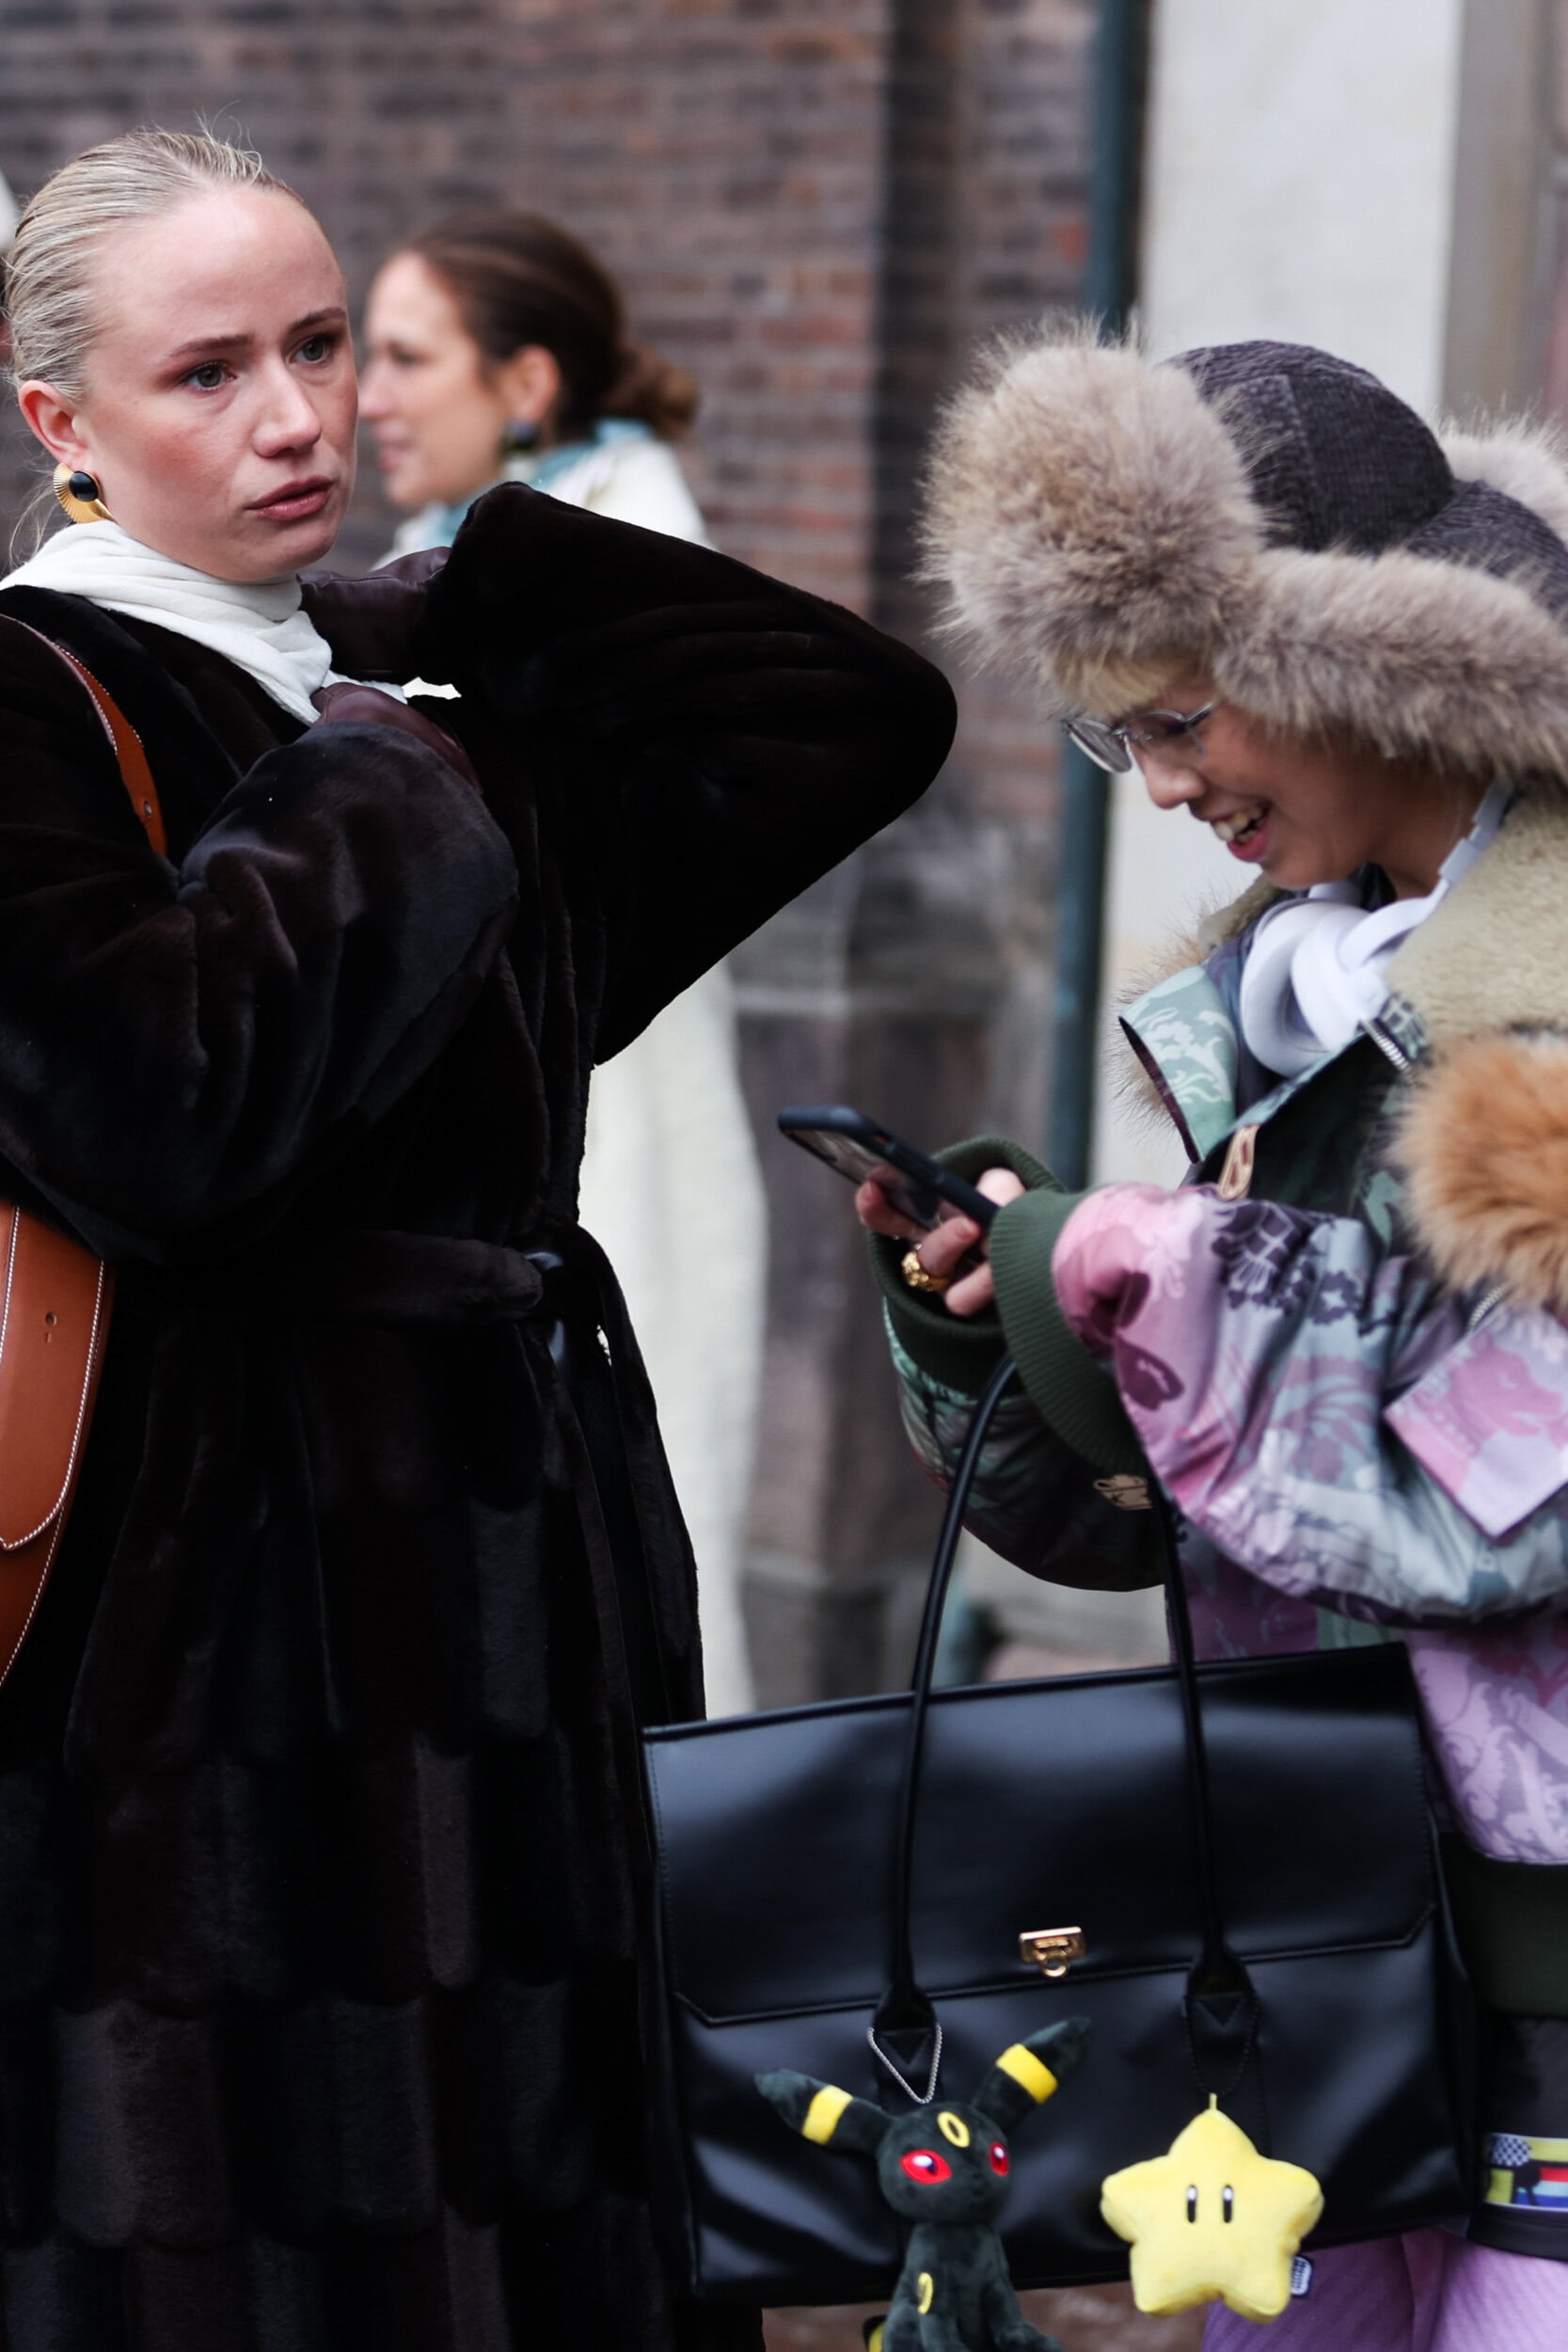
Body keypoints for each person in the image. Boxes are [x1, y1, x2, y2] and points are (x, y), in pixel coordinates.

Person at [0, 126, 955, 2350]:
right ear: (61, 422)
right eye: (209, 371)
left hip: (528, 1584)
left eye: (323, 345)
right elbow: (149, 1111)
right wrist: (375, 771)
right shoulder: (43, 696)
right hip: (224, 1625)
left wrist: (472, 593)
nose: (297, 415)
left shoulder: (400, 677)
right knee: (256, 2201)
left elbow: (852, 716)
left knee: (544, 2186)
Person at [858, 333, 1568, 2349]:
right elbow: (1205, 1520)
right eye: (1121, 740)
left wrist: (1137, 1273)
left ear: (1374, 660)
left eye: (1181, 716)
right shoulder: (1301, 1000)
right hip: (1342, 1918)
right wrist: (1007, 1327)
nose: (1166, 787)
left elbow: (1495, 1504)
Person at [362, 211, 765, 1714]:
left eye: (406, 359)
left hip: (606, 1122)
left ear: (525, 383)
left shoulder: (622, 560)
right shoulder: (472, 546)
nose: (365, 399)